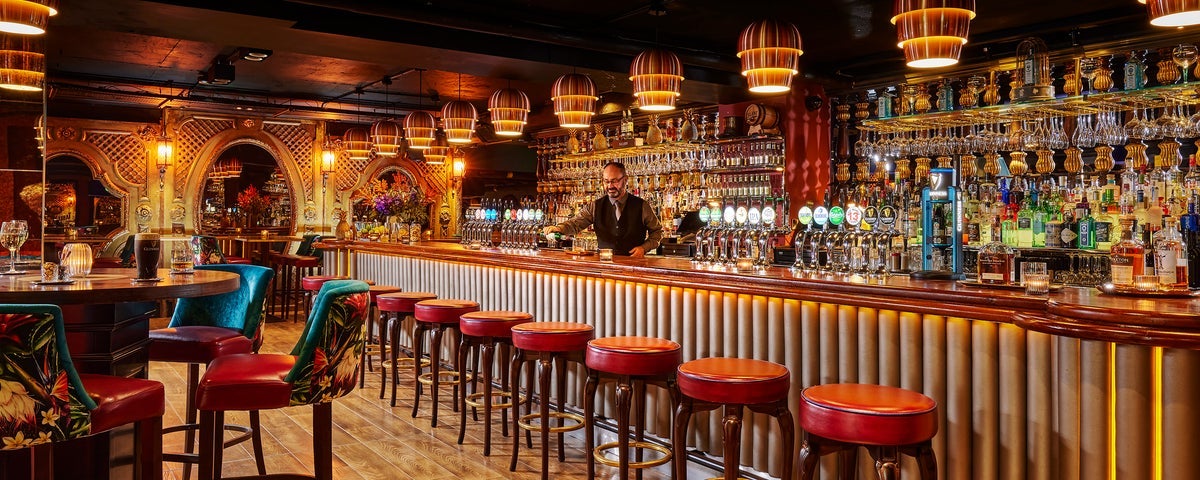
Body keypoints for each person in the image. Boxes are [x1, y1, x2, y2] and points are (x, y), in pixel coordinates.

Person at [543, 161, 663, 258]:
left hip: (633, 265)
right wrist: (558, 228)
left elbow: (657, 232)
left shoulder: (641, 205)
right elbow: (575, 224)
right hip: (604, 265)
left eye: (614, 181)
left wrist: (644, 248)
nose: (610, 186)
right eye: (606, 181)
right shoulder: (595, 206)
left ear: (625, 180)